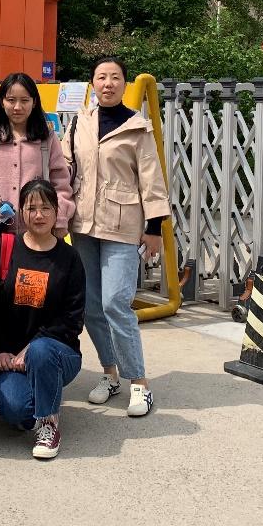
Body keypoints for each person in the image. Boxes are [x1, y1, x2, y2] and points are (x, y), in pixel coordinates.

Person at [64, 56, 170, 418]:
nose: (107, 83)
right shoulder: (79, 122)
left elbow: (152, 180)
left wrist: (154, 229)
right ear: (92, 83)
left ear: (125, 84)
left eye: (114, 77)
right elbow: (65, 168)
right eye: (101, 77)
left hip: (123, 226)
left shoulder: (137, 127)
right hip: (83, 225)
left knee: (115, 303)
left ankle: (139, 382)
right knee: (91, 306)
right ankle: (110, 374)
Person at [0, 179, 85, 460]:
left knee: (40, 351)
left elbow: (73, 319)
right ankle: (42, 396)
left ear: (56, 212)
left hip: (58, 352)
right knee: (15, 410)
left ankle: (48, 424)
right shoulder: (5, 248)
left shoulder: (69, 258)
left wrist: (31, 349)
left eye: (46, 208)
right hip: (12, 359)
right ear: (21, 212)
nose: (38, 215)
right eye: (31, 208)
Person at [0, 73, 74, 245]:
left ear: (34, 102)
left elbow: (61, 185)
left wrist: (59, 219)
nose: (17, 107)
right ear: (1, 102)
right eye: (11, 100)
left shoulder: (47, 138)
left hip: (40, 232)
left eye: (24, 100)